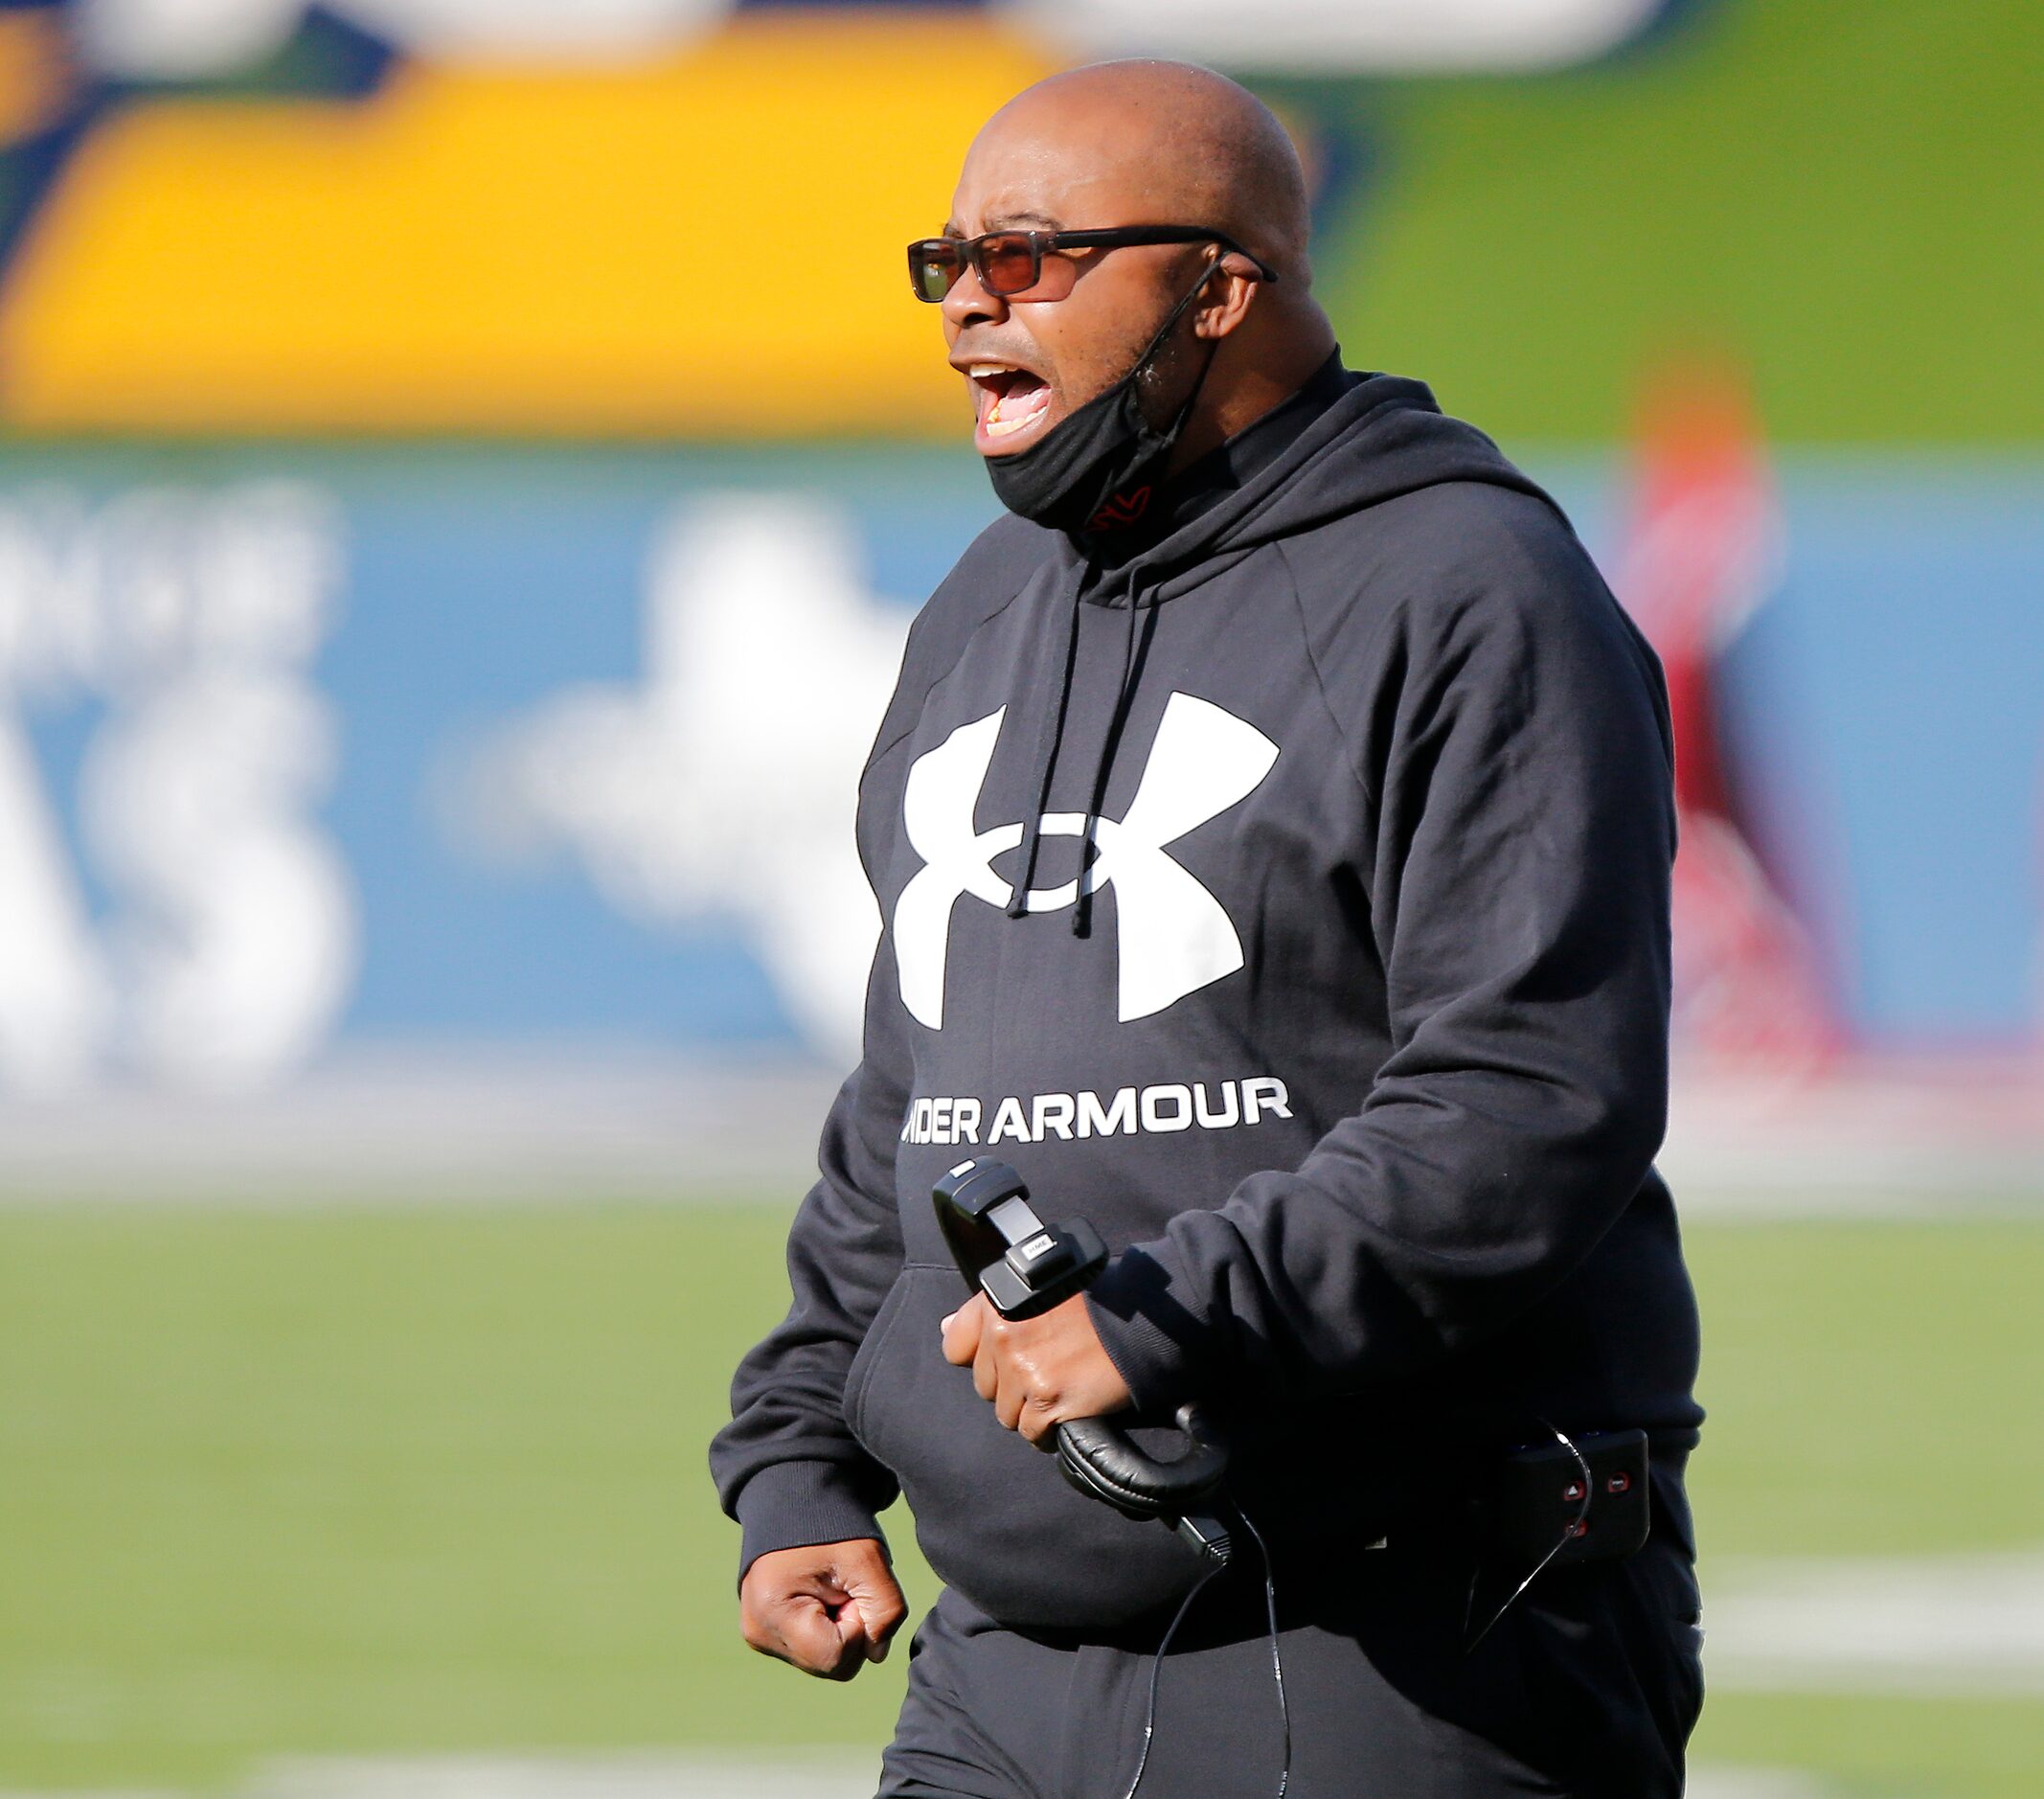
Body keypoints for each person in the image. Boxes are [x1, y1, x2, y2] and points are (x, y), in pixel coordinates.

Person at [710, 59, 1704, 1798]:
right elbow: (917, 1105)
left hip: (1403, 1646)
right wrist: (800, 1453)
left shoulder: (1470, 589)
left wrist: (1173, 1312)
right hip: (1005, 1666)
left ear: (1216, 286)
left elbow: (1529, 1094)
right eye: (947, 262)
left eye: (1026, 260)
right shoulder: (979, 614)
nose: (966, 313)